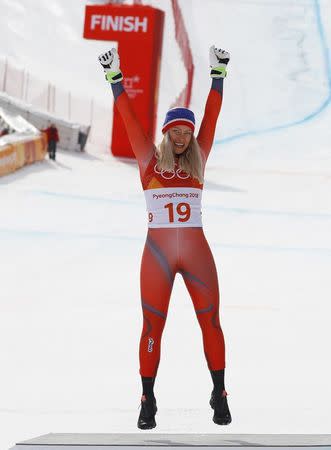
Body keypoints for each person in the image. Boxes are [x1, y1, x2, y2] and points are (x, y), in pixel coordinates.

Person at [98, 45, 231, 429]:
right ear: (166, 133)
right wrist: (115, 79)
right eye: (176, 131)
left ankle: (219, 392)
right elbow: (128, 120)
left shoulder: (200, 158)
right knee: (152, 327)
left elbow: (213, 117)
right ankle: (147, 398)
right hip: (156, 254)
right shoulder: (149, 160)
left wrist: (218, 74)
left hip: (195, 253)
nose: (183, 138)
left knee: (212, 322)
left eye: (187, 133)